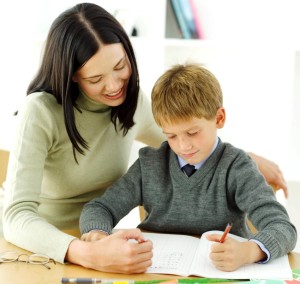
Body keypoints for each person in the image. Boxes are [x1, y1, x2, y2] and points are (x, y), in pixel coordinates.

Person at [0, 2, 288, 274]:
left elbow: (183, 135)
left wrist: (246, 159)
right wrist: (90, 249)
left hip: (103, 243)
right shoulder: (39, 111)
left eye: (119, 67)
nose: (114, 86)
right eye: (95, 79)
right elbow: (17, 216)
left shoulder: (131, 101)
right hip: (44, 246)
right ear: (73, 76)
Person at [79, 64, 297, 272]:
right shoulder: (150, 164)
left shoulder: (237, 167)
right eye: (171, 136)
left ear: (219, 118)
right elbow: (100, 208)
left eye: (192, 133)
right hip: (154, 272)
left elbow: (283, 228)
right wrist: (97, 235)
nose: (183, 146)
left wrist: (249, 252)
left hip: (219, 274)